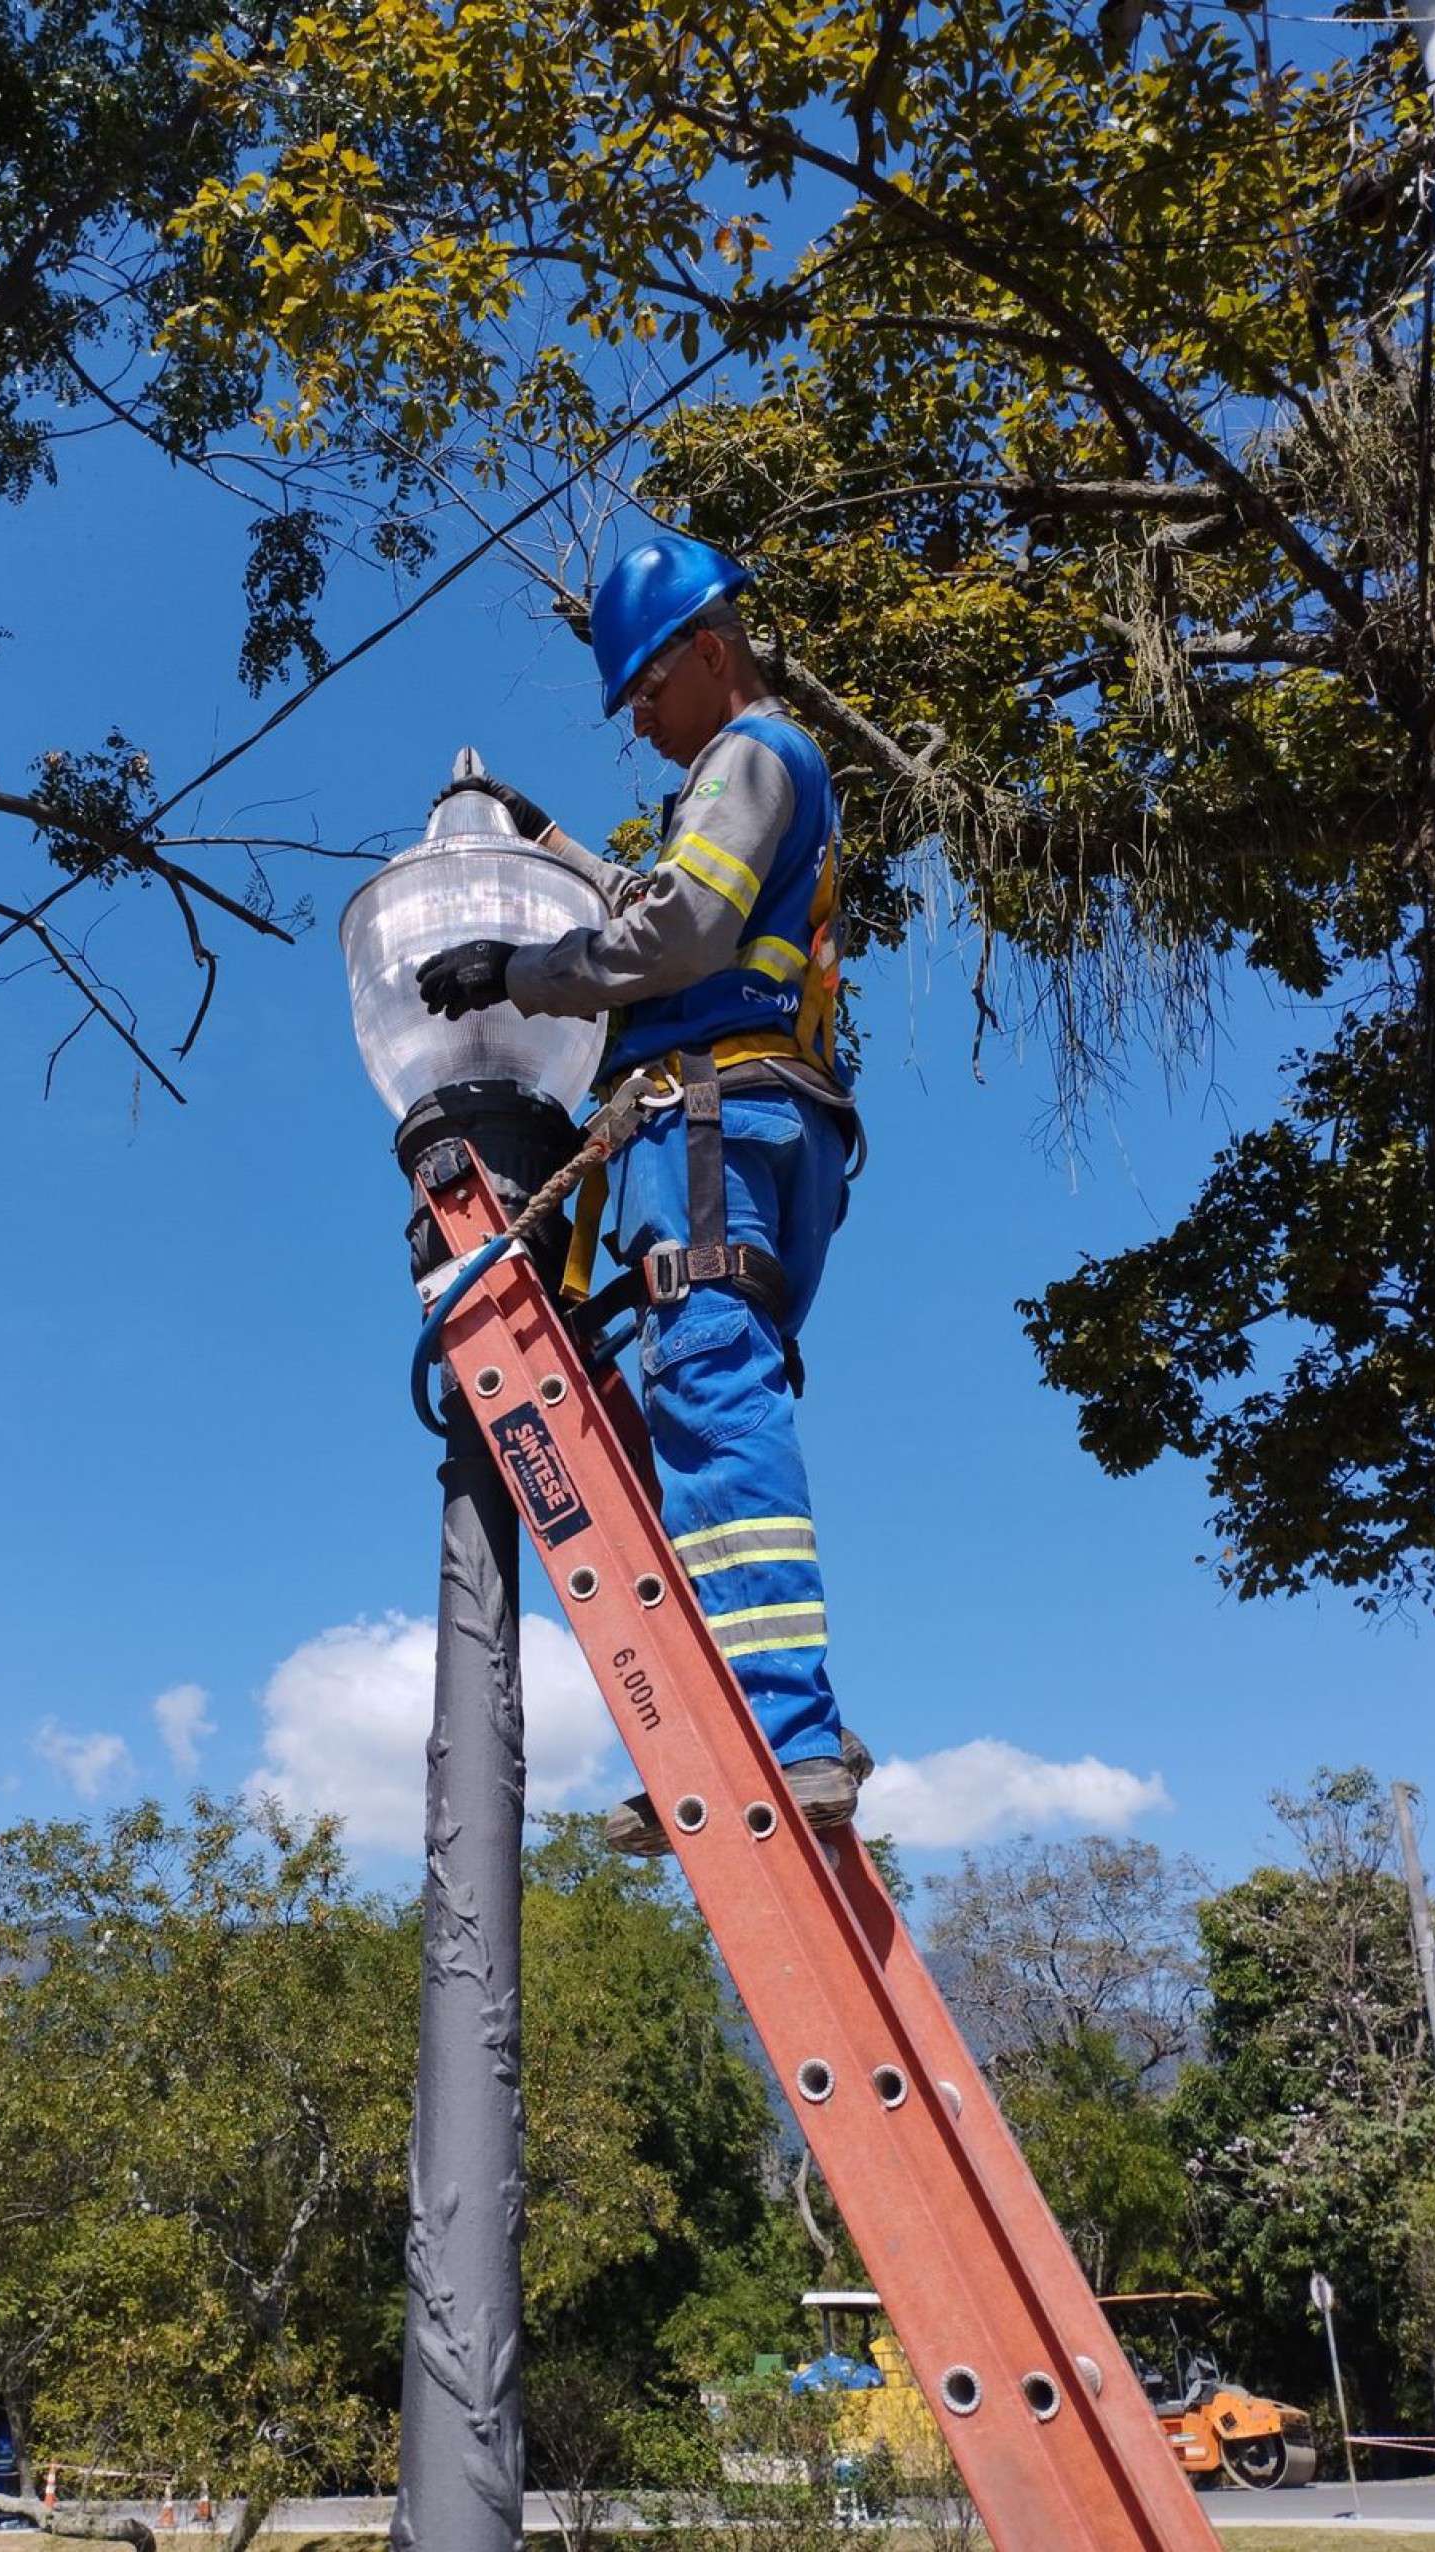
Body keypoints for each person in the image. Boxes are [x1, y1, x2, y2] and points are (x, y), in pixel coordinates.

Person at [416, 531, 869, 1855]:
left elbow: (675, 934)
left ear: (709, 654)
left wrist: (516, 971)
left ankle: (783, 1735)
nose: (642, 724)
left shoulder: (754, 752)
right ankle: (777, 1719)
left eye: (646, 695)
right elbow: (661, 900)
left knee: (714, 1393)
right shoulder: (748, 780)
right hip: (760, 1132)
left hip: (718, 1122)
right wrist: (539, 836)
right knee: (699, 1403)